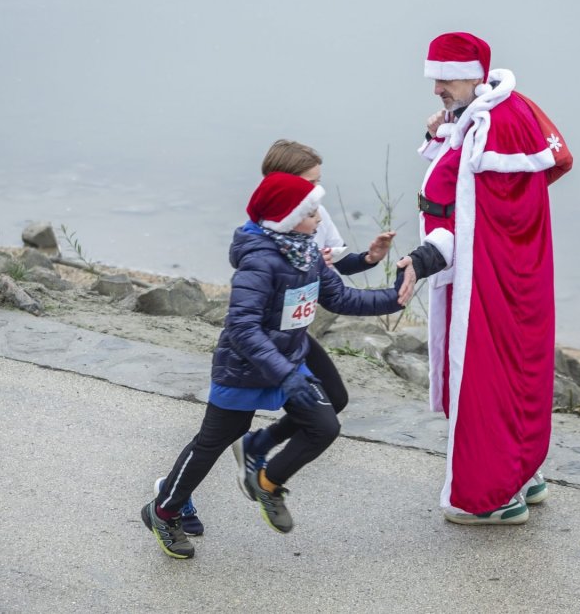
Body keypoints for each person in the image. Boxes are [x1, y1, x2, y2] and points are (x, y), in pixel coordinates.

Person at [141, 168, 403, 559]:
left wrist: (397, 295)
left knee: (324, 425)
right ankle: (164, 511)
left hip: (287, 361)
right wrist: (284, 373)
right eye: (312, 212)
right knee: (210, 445)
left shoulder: (308, 252)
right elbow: (243, 329)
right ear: (289, 218)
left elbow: (343, 299)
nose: (319, 218)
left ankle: (267, 482)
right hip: (244, 368)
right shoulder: (260, 262)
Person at [396, 32, 572, 525]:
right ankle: (521, 475)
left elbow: (471, 219)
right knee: (512, 374)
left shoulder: (494, 124)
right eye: (434, 79)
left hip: (489, 284)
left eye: (445, 79)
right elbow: (462, 186)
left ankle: (490, 497)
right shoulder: (497, 113)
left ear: (475, 74)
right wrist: (445, 132)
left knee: (485, 379)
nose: (437, 89)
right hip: (508, 281)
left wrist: (428, 257)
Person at [229, 140, 396, 485]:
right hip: (265, 338)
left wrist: (369, 258)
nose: (317, 190)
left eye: (319, 181)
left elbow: (329, 265)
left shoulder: (314, 211)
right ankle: (179, 500)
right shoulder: (265, 226)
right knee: (217, 433)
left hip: (294, 333)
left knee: (335, 398)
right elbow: (256, 288)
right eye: (310, 181)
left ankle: (258, 444)